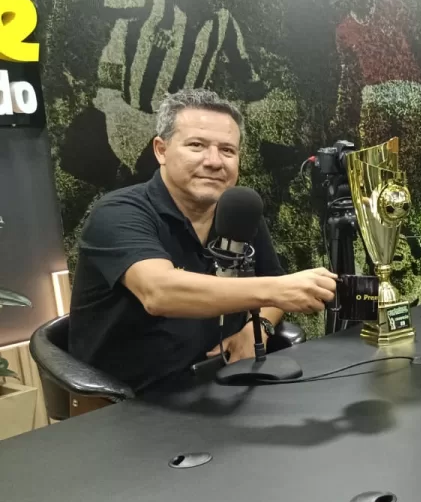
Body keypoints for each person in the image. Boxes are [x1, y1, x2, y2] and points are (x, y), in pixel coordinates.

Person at [69, 89, 338, 394]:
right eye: (196, 145)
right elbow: (159, 292)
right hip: (132, 398)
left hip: (227, 383)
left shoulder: (239, 211)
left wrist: (257, 328)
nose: (214, 161)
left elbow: (271, 289)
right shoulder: (118, 213)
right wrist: (278, 289)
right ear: (161, 150)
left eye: (227, 150)